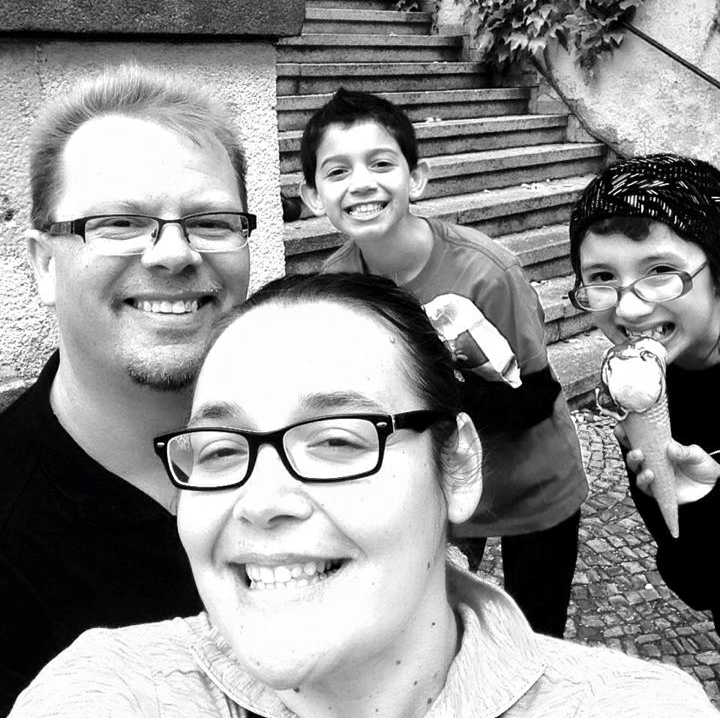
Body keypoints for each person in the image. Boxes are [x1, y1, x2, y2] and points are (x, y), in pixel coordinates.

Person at [8, 272, 717, 718]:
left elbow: (535, 390)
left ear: (457, 464)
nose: (259, 502)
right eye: (222, 450)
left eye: (339, 439)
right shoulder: (104, 687)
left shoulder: (642, 706)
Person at [0, 66, 255, 714]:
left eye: (212, 221)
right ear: (43, 264)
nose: (173, 254)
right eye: (118, 222)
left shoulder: (321, 455)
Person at [297, 88, 588, 638]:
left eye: (381, 163)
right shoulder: (340, 289)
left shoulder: (486, 271)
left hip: (535, 484)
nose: (361, 183)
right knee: (438, 630)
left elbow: (535, 397)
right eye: (337, 172)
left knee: (535, 633)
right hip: (441, 492)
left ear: (417, 177)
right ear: (313, 196)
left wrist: (430, 402)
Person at [569, 152, 720, 633]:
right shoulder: (642, 395)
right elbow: (697, 583)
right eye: (601, 278)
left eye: (659, 271)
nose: (629, 309)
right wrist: (695, 505)